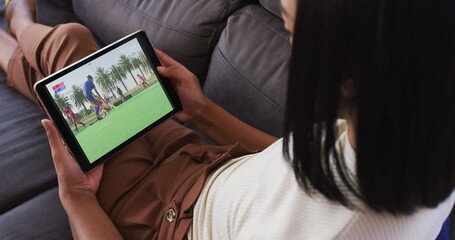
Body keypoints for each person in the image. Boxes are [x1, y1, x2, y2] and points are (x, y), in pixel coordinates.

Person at [1, 0, 454, 239]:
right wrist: (204, 112)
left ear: (347, 77)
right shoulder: (412, 133)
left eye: (291, 33)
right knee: (80, 71)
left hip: (161, 218)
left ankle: (15, 27)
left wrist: (77, 199)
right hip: (205, 164)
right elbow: (293, 165)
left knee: (70, 49)